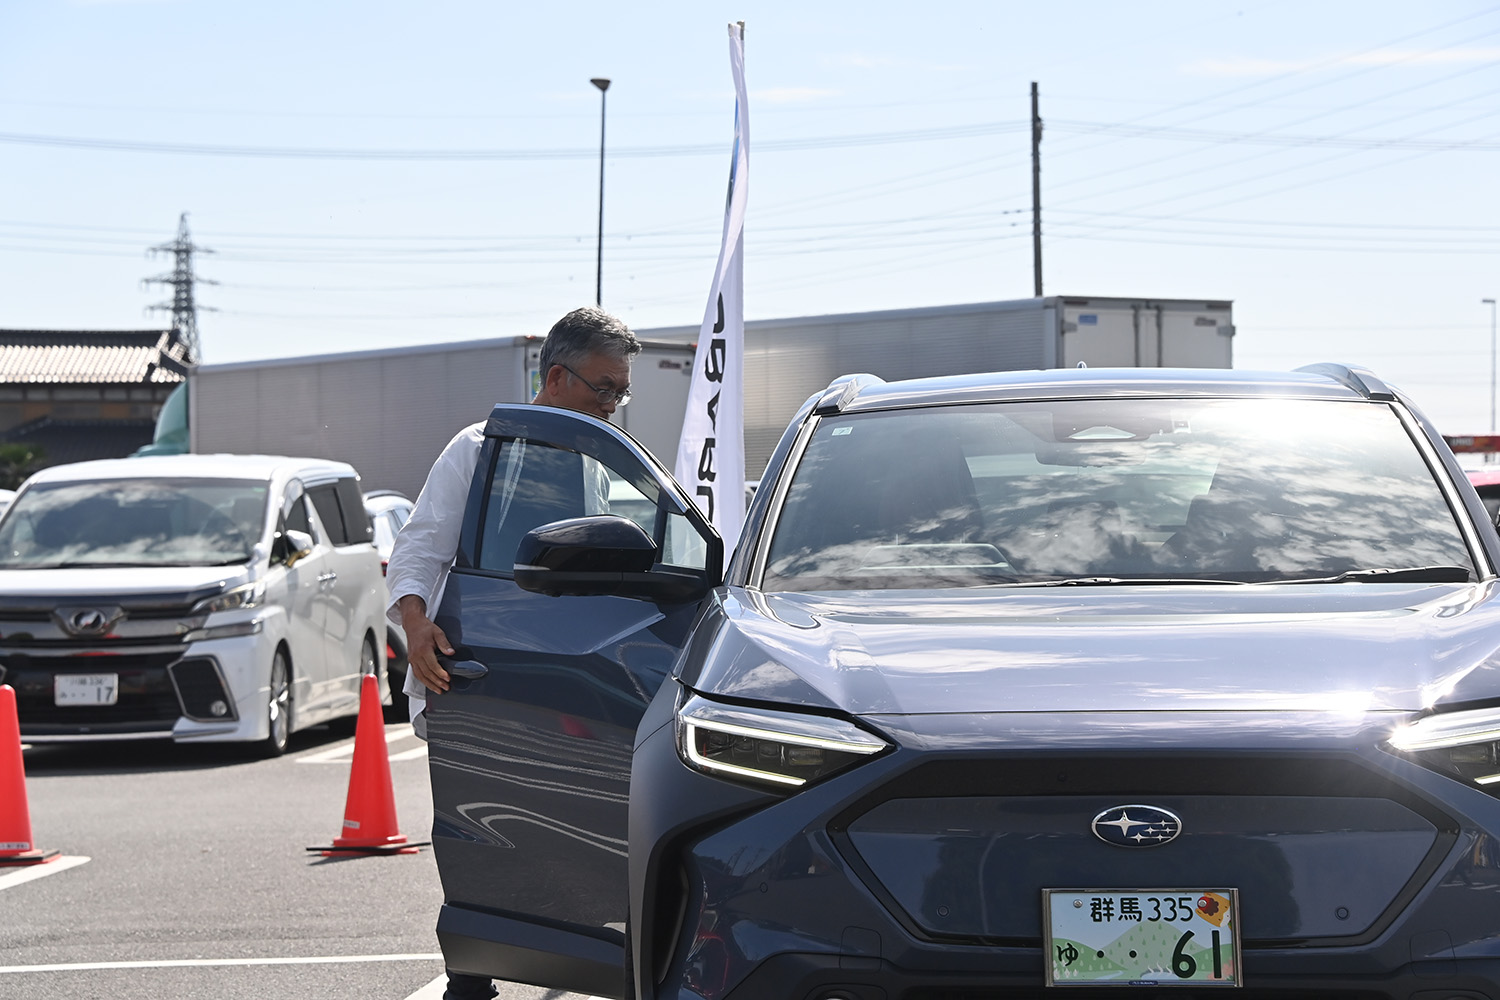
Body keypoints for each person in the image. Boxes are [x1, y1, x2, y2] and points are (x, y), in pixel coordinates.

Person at [383, 305, 641, 1000]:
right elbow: (419, 549)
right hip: (488, 668)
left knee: (560, 823)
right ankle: (473, 967)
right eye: (605, 388)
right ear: (557, 376)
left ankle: (564, 948)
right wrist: (415, 628)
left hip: (570, 670)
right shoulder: (481, 448)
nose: (614, 404)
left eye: (621, 391)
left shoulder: (594, 464)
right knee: (480, 819)